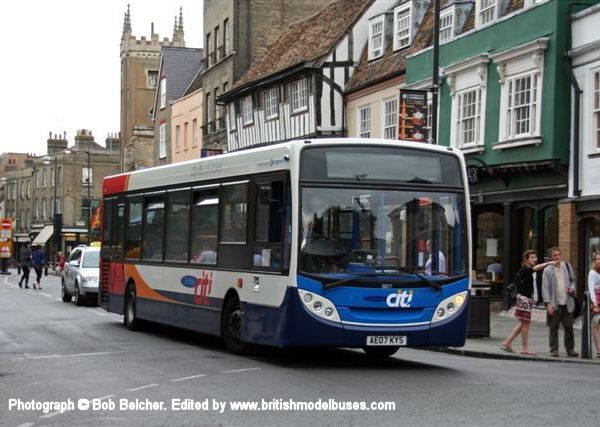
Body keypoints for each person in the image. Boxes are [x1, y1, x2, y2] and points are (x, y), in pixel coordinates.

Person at [501, 250, 554, 356]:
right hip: (523, 299)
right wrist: (548, 263)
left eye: (535, 257)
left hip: (524, 298)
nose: (535, 259)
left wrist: (530, 297)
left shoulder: (525, 270)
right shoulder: (525, 269)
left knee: (523, 324)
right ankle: (525, 348)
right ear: (526, 259)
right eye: (532, 257)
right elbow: (534, 269)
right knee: (526, 324)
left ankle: (507, 343)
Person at [542, 246, 578, 357]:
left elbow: (573, 280)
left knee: (569, 327)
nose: (558, 257)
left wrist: (572, 288)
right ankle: (554, 349)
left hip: (567, 302)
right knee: (554, 327)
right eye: (555, 255)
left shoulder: (567, 266)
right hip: (554, 304)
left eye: (559, 255)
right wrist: (548, 304)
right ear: (550, 258)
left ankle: (570, 349)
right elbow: (545, 288)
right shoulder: (547, 270)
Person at [588, 251, 600, 359]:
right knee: (596, 325)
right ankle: (599, 350)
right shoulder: (592, 273)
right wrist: (594, 303)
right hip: (597, 300)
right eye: (596, 259)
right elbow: (591, 289)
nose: (598, 261)